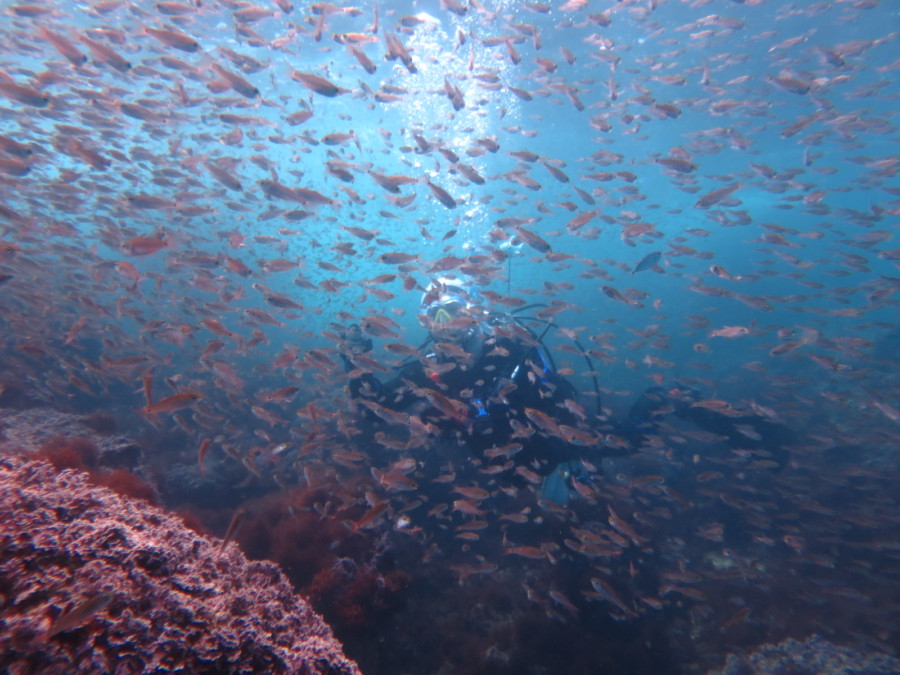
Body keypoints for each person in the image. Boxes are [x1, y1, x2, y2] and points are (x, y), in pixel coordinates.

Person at [339, 277, 792, 502]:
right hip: (496, 469)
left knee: (628, 440)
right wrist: (354, 362)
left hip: (549, 441)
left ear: (474, 312)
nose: (444, 326)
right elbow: (374, 411)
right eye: (432, 317)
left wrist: (573, 457)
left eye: (453, 312)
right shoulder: (426, 367)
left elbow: (561, 406)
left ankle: (683, 404)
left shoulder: (510, 348)